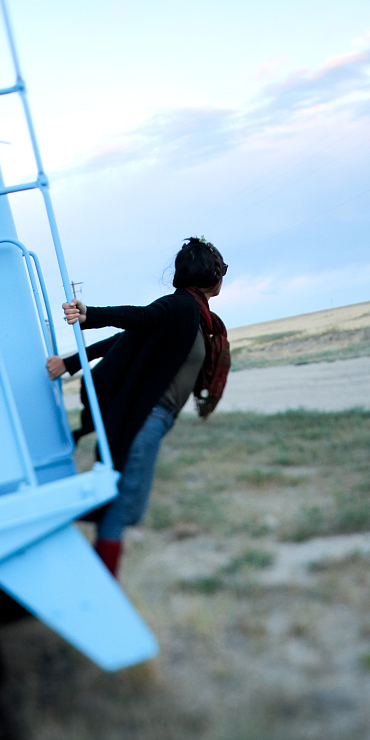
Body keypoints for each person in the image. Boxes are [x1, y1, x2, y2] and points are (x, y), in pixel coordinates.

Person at [46, 238, 231, 577]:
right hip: (148, 419)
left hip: (152, 421)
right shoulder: (183, 308)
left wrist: (70, 363)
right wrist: (91, 315)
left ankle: (55, 517)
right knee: (122, 510)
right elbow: (140, 317)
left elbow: (125, 340)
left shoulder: (197, 318)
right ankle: (99, 585)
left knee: (124, 507)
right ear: (214, 276)